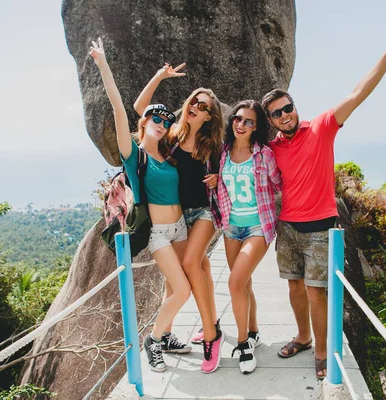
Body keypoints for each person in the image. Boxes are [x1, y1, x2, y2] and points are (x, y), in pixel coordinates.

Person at [262, 19, 386, 380]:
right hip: (287, 228)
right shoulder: (272, 148)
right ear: (270, 120)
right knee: (294, 286)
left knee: (318, 294)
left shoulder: (321, 127)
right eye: (278, 113)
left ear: (294, 107)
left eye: (288, 108)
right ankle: (301, 336)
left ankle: (320, 350)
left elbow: (358, 93)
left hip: (320, 228)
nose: (285, 115)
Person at [89, 38, 194, 373]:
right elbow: (123, 108)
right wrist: (104, 65)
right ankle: (153, 339)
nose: (162, 124)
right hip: (159, 234)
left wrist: (161, 77)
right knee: (183, 291)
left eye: (166, 121)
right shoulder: (135, 156)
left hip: (181, 229)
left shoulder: (169, 151)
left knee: (170, 288)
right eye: (155, 119)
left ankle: (166, 336)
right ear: (144, 122)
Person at [134, 64, 225, 373]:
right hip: (178, 219)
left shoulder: (211, 145)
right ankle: (175, 332)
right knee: (197, 269)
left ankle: (212, 334)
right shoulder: (170, 134)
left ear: (209, 116)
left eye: (202, 107)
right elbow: (140, 110)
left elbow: (230, 170)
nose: (194, 108)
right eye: (193, 102)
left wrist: (216, 176)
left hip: (203, 213)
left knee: (190, 267)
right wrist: (159, 76)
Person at [217, 100, 281, 374]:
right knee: (243, 283)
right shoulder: (222, 152)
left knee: (234, 282)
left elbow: (279, 183)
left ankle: (243, 344)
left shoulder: (264, 154)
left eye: (249, 122)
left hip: (258, 226)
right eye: (238, 119)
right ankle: (254, 331)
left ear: (257, 128)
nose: (241, 125)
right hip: (231, 227)